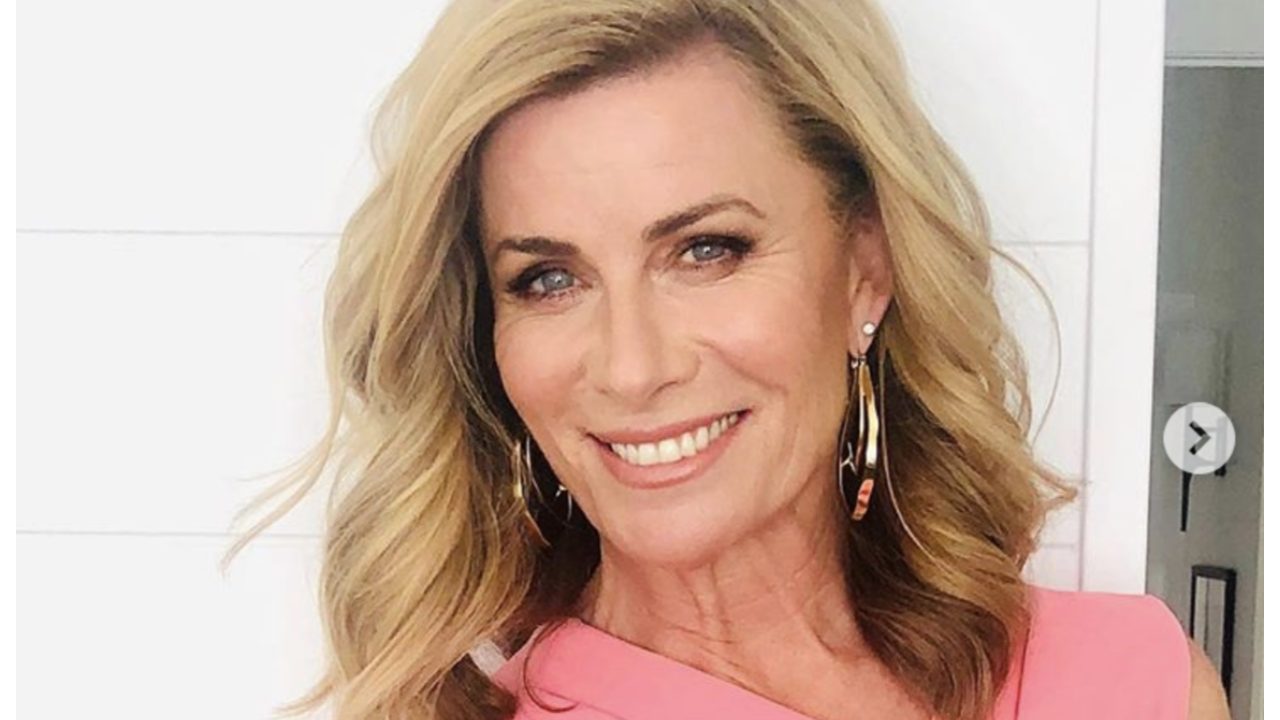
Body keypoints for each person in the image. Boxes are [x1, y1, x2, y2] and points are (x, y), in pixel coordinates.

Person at [229, 1, 1233, 718]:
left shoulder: (1130, 683)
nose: (631, 368)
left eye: (705, 250)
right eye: (549, 279)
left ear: (865, 268)